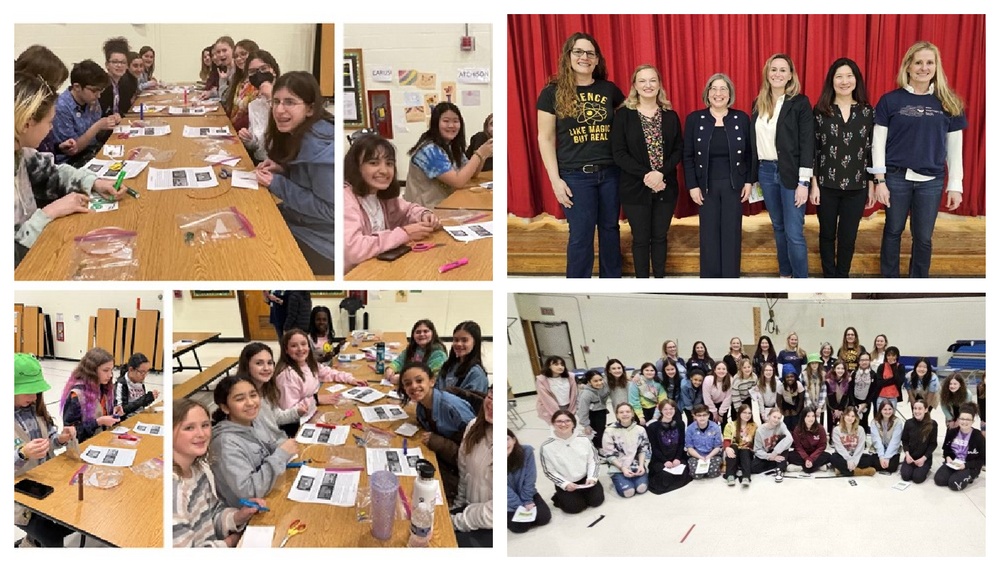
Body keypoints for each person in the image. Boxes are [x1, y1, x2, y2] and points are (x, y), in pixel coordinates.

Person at [873, 41, 968, 278]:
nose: (923, 68)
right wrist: (880, 180)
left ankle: (918, 281)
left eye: (929, 62)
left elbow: (955, 150)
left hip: (931, 181)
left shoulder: (950, 103)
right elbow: (878, 142)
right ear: (908, 66)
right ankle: (889, 280)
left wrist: (955, 186)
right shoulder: (890, 101)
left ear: (936, 67)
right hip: (896, 178)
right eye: (918, 62)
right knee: (893, 230)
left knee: (923, 237)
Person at [537, 32, 625, 278]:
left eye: (590, 53)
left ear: (597, 60)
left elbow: (630, 123)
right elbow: (545, 138)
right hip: (575, 176)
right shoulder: (551, 93)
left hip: (610, 173)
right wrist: (556, 181)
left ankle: (611, 282)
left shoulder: (609, 90)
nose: (584, 57)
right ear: (568, 56)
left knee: (610, 230)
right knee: (581, 235)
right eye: (578, 52)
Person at [14, 73, 123, 267]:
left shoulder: (22, 155)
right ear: (26, 124)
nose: (51, 129)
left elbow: (54, 174)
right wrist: (48, 213)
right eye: (49, 122)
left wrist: (94, 182)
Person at [256, 72, 335, 275]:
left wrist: (278, 183)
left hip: (326, 244)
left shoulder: (321, 147)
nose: (279, 110)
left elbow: (331, 211)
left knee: (258, 251)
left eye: (290, 102)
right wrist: (283, 170)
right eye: (276, 101)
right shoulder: (299, 132)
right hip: (304, 223)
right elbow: (308, 180)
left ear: (310, 108)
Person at [611, 64, 683, 278]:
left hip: (665, 186)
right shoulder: (624, 115)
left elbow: (679, 149)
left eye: (652, 80)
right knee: (640, 238)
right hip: (635, 188)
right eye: (642, 81)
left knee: (660, 237)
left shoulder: (670, 115)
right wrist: (647, 175)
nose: (648, 85)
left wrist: (660, 173)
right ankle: (642, 281)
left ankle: (659, 279)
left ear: (659, 84)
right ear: (634, 85)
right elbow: (619, 153)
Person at [683, 72, 754, 277]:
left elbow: (750, 153)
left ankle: (731, 279)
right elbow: (687, 156)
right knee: (709, 235)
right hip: (706, 185)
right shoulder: (695, 119)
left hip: (734, 185)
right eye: (714, 88)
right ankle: (710, 280)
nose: (718, 93)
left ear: (730, 93)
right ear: (708, 93)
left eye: (723, 88)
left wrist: (749, 181)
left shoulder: (741, 118)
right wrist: (692, 185)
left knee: (731, 234)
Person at [810, 58, 875, 278]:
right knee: (827, 234)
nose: (844, 81)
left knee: (848, 237)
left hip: (857, 187)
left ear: (856, 80)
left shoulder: (867, 112)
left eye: (849, 76)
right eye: (839, 76)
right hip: (826, 185)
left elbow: (870, 150)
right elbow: (813, 150)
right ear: (832, 80)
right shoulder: (820, 111)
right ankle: (829, 277)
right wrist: (814, 184)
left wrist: (873, 184)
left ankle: (842, 277)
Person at [752, 53, 814, 278]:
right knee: (778, 227)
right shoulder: (758, 103)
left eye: (782, 70)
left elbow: (808, 144)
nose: (777, 74)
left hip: (791, 174)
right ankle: (785, 275)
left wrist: (803, 182)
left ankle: (800, 282)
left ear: (790, 75)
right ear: (767, 74)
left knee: (794, 232)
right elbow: (754, 143)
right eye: (773, 69)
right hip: (766, 172)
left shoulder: (800, 103)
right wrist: (752, 179)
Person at [173, 398, 262, 547]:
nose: (201, 434)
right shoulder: (175, 492)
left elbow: (212, 513)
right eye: (189, 428)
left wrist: (238, 517)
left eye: (205, 425)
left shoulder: (197, 469)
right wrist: (231, 542)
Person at [342, 134, 438, 272]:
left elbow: (408, 210)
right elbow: (354, 249)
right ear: (356, 166)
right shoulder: (345, 198)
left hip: (380, 267)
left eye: (389, 163)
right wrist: (404, 234)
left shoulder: (381, 195)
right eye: (374, 163)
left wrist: (425, 214)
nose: (384, 171)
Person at [15, 354, 78, 548]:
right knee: (53, 537)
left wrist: (59, 439)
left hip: (46, 486)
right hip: (20, 501)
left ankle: (31, 542)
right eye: (28, 391)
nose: (34, 397)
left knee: (73, 520)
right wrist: (22, 454)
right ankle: (32, 541)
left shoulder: (37, 409)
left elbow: (50, 439)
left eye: (37, 391)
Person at [209, 376, 297, 507]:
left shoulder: (254, 421)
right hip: (251, 513)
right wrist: (282, 454)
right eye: (240, 399)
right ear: (225, 408)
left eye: (253, 395)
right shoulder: (225, 443)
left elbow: (269, 447)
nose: (250, 403)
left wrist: (282, 448)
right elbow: (249, 491)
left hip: (271, 490)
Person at [400, 362, 475, 502]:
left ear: (432, 381)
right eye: (407, 383)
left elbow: (474, 452)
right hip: (445, 458)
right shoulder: (421, 406)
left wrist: (439, 443)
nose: (414, 386)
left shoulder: (452, 407)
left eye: (419, 380)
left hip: (464, 472)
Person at [406, 102, 492, 208]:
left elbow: (471, 174)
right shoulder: (429, 150)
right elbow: (458, 181)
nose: (451, 125)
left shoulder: (451, 145)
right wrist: (479, 154)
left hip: (447, 203)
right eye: (446, 121)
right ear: (435, 123)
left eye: (455, 121)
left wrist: (483, 155)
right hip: (425, 211)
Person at [274, 329, 362, 420]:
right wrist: (315, 399)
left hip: (313, 409)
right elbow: (289, 412)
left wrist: (350, 379)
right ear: (286, 350)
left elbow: (328, 372)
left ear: (308, 346)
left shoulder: (309, 363)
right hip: (298, 423)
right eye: (293, 346)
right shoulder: (286, 376)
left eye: (303, 344)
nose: (300, 349)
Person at [46, 60, 115, 165]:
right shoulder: (61, 107)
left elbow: (96, 136)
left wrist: (110, 122)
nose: (98, 96)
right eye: (94, 91)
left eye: (100, 91)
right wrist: (98, 126)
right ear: (77, 87)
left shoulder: (91, 100)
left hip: (92, 151)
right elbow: (73, 149)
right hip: (72, 162)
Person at [237, 342, 307, 441]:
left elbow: (276, 417)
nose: (266, 368)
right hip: (271, 449)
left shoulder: (266, 389)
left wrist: (296, 412)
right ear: (247, 366)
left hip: (279, 442)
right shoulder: (245, 400)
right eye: (259, 363)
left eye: (269, 363)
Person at [539, 409, 604, 514]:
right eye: (559, 421)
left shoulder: (584, 439)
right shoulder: (546, 447)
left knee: (596, 501)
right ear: (553, 424)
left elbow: (594, 460)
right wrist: (565, 484)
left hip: (585, 478)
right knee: (575, 508)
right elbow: (549, 471)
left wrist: (592, 477)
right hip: (567, 481)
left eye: (567, 421)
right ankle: (559, 496)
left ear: (573, 423)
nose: (563, 424)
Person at [452, 387, 493, 547]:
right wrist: (458, 505)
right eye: (490, 397)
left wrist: (457, 521)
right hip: (469, 510)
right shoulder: (473, 427)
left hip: (488, 523)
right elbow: (464, 471)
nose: (492, 404)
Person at [59, 347, 121, 442]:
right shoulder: (77, 395)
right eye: (105, 370)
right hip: (84, 446)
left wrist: (115, 409)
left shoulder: (105, 387)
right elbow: (71, 434)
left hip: (104, 440)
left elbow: (107, 411)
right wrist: (98, 422)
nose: (110, 375)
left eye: (111, 370)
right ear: (92, 371)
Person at [237, 50, 281, 164]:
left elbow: (287, 137)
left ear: (274, 71)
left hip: (283, 164)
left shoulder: (289, 98)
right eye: (252, 72)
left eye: (263, 69)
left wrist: (271, 98)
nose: (259, 75)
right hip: (261, 162)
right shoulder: (254, 105)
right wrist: (248, 139)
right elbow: (257, 146)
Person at [507, 429, 552, 533]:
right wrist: (519, 505)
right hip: (507, 500)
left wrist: (527, 500)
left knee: (543, 518)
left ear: (514, 440)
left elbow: (530, 478)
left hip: (528, 493)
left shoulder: (526, 451)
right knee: (520, 527)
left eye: (507, 439)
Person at [602, 402, 650, 497]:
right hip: (619, 467)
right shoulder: (609, 431)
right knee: (628, 492)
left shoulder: (640, 430)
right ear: (617, 415)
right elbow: (609, 454)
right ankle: (618, 478)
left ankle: (637, 476)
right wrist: (623, 468)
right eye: (621, 412)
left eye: (628, 411)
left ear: (632, 413)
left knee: (641, 488)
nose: (625, 414)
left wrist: (641, 465)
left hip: (636, 465)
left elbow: (643, 449)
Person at [934, 403, 985, 490]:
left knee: (954, 484)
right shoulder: (952, 432)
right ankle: (956, 474)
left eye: (968, 419)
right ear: (958, 419)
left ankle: (970, 476)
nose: (964, 422)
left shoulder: (978, 436)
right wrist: (948, 457)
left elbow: (983, 459)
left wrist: (966, 465)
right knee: (939, 480)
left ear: (973, 421)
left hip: (969, 466)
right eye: (962, 419)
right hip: (954, 463)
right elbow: (946, 450)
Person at [646, 399, 692, 494]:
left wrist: (677, 458)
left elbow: (681, 443)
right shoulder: (652, 427)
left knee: (686, 471)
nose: (669, 411)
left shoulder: (680, 424)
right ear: (661, 411)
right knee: (663, 477)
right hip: (660, 458)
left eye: (671, 409)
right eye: (665, 409)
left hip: (676, 456)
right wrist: (665, 461)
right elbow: (654, 448)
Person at [386, 319, 448, 385]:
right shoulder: (413, 347)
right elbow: (399, 361)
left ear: (433, 333)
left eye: (426, 331)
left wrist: (404, 379)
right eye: (418, 332)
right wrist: (390, 369)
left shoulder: (438, 354)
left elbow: (432, 378)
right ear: (413, 335)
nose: (421, 334)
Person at [437, 321, 489, 393]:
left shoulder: (476, 374)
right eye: (456, 340)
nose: (458, 344)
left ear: (475, 343)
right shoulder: (448, 366)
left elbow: (470, 403)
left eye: (464, 340)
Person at [829, 406, 877, 476]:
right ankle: (861, 472)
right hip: (843, 456)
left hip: (855, 455)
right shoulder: (837, 430)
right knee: (833, 458)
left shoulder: (860, 429)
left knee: (869, 459)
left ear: (855, 418)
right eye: (848, 415)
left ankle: (842, 470)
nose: (850, 418)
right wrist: (848, 459)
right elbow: (839, 448)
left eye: (852, 416)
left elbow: (860, 447)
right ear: (844, 416)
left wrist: (854, 461)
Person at [98, 37, 137, 121]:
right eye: (115, 62)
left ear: (127, 66)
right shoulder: (102, 86)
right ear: (107, 64)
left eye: (123, 62)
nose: (119, 65)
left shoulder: (124, 83)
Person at [900, 399, 938, 483]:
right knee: (905, 476)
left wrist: (924, 458)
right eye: (915, 408)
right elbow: (905, 440)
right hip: (911, 456)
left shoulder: (932, 424)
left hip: (924, 457)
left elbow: (933, 444)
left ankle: (926, 467)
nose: (917, 411)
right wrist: (907, 454)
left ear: (926, 410)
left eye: (920, 408)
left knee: (917, 478)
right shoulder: (908, 423)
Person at [224, 39, 260, 126]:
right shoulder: (240, 81)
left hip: (247, 132)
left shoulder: (259, 82)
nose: (239, 59)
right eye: (236, 56)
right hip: (232, 128)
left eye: (243, 54)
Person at [751, 407, 793, 482]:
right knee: (753, 468)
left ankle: (780, 470)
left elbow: (790, 438)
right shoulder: (760, 431)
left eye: (778, 418)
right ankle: (782, 462)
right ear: (769, 416)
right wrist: (770, 457)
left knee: (784, 438)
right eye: (774, 417)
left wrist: (775, 452)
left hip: (777, 450)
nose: (776, 420)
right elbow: (757, 450)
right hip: (767, 453)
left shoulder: (781, 425)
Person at [788, 406, 831, 473]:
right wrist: (806, 458)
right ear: (803, 417)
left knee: (828, 456)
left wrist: (811, 458)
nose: (811, 419)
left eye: (813, 416)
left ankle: (801, 467)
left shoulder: (820, 428)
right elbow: (798, 447)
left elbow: (822, 446)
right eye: (808, 416)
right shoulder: (797, 429)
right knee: (789, 455)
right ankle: (817, 466)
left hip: (815, 453)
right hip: (802, 454)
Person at [114, 353, 159, 418]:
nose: (144, 376)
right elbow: (121, 410)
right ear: (131, 370)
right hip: (127, 419)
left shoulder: (140, 381)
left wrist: (150, 398)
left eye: (146, 372)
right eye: (142, 372)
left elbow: (141, 405)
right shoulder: (121, 384)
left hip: (140, 416)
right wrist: (144, 399)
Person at [722, 403, 757, 486]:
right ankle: (730, 476)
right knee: (733, 447)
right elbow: (726, 440)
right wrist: (727, 448)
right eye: (744, 413)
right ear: (739, 413)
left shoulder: (754, 426)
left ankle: (746, 477)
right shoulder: (730, 425)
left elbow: (756, 442)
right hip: (734, 451)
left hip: (747, 452)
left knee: (745, 450)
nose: (747, 415)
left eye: (749, 413)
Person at [685, 404, 723, 479]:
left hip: (712, 455)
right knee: (696, 475)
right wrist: (700, 457)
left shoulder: (715, 427)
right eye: (699, 415)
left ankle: (709, 469)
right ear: (694, 416)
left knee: (713, 473)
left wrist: (708, 456)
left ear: (708, 415)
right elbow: (690, 448)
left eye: (704, 415)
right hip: (696, 455)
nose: (702, 418)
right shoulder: (690, 429)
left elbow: (717, 446)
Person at [536, 355, 577, 424]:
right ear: (549, 366)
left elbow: (573, 394)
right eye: (556, 364)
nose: (560, 367)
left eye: (562, 365)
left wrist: (571, 410)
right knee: (556, 429)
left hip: (568, 406)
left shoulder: (570, 377)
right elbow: (546, 398)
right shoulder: (542, 379)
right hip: (551, 409)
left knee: (570, 428)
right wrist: (557, 414)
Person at [576, 369, 610, 450]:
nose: (599, 383)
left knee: (602, 430)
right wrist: (586, 425)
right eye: (595, 381)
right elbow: (582, 411)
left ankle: (601, 447)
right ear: (589, 382)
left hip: (601, 411)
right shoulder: (586, 394)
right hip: (593, 414)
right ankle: (597, 449)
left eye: (600, 380)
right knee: (595, 433)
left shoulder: (604, 385)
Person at [871, 399, 903, 474]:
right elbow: (876, 440)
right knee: (876, 465)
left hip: (892, 449)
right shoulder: (874, 422)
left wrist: (887, 457)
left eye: (890, 409)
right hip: (879, 449)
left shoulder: (897, 422)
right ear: (880, 410)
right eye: (885, 409)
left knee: (892, 467)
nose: (887, 412)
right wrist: (882, 457)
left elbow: (895, 441)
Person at [849, 351, 877, 432]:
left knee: (864, 421)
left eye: (866, 360)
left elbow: (873, 391)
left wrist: (866, 403)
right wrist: (853, 403)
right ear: (858, 361)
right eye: (862, 360)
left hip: (866, 402)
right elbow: (850, 389)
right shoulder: (854, 373)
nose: (864, 362)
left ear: (869, 361)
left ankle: (862, 440)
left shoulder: (873, 374)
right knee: (853, 421)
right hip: (854, 401)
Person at [874, 345, 906, 410]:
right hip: (881, 396)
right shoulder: (881, 366)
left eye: (893, 355)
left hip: (893, 397)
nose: (891, 357)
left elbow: (899, 383)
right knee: (879, 416)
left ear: (897, 356)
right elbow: (879, 383)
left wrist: (894, 367)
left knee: (891, 416)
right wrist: (893, 379)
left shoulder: (900, 367)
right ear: (886, 356)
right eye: (888, 355)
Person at [703, 361, 734, 427]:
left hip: (723, 403)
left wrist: (721, 414)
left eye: (724, 369)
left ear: (726, 371)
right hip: (711, 403)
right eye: (719, 369)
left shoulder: (730, 379)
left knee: (724, 422)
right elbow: (707, 398)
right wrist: (714, 412)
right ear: (714, 370)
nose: (721, 371)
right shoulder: (708, 379)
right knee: (712, 423)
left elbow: (728, 398)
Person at [205, 36, 236, 100]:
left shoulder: (237, 69)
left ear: (233, 50)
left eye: (224, 50)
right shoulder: (226, 69)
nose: (221, 54)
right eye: (218, 52)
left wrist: (223, 81)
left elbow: (226, 98)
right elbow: (222, 95)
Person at [825, 360, 852, 431]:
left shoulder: (848, 380)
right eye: (838, 368)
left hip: (843, 407)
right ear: (834, 369)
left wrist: (840, 409)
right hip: (831, 406)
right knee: (831, 426)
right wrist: (835, 410)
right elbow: (829, 397)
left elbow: (846, 396)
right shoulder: (828, 380)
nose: (840, 370)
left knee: (843, 425)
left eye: (842, 368)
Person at [801, 353, 826, 429]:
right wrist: (810, 407)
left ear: (819, 364)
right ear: (809, 364)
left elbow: (823, 391)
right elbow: (805, 391)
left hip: (820, 406)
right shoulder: (804, 374)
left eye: (816, 363)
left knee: (819, 426)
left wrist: (819, 407)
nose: (814, 365)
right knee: (808, 425)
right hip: (808, 405)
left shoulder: (823, 374)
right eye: (812, 363)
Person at [778, 364, 805, 432]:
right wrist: (782, 411)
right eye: (787, 377)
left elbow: (801, 399)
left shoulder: (799, 384)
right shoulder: (780, 385)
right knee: (787, 423)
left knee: (795, 423)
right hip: (786, 404)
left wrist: (797, 411)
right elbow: (778, 400)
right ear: (784, 377)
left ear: (795, 377)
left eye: (792, 376)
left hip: (797, 405)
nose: (790, 378)